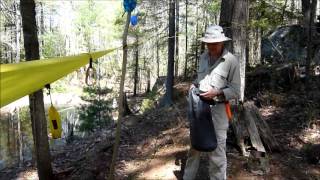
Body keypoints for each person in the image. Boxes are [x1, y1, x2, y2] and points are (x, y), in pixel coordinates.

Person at [183, 25, 241, 180]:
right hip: (199, 110)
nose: (211, 46)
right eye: (208, 43)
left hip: (218, 112)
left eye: (215, 43)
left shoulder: (231, 61)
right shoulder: (203, 57)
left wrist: (218, 93)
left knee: (217, 153)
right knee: (194, 147)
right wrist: (194, 85)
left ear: (222, 42)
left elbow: (236, 91)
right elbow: (200, 79)